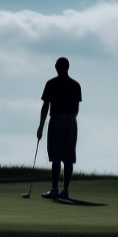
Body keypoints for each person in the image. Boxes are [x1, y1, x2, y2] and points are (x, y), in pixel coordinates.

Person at [37, 57, 82, 199]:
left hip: (57, 119)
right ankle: (65, 190)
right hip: (72, 120)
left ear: (57, 67)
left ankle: (55, 189)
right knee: (69, 156)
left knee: (56, 155)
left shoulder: (51, 83)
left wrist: (41, 126)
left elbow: (45, 106)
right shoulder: (76, 85)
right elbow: (77, 108)